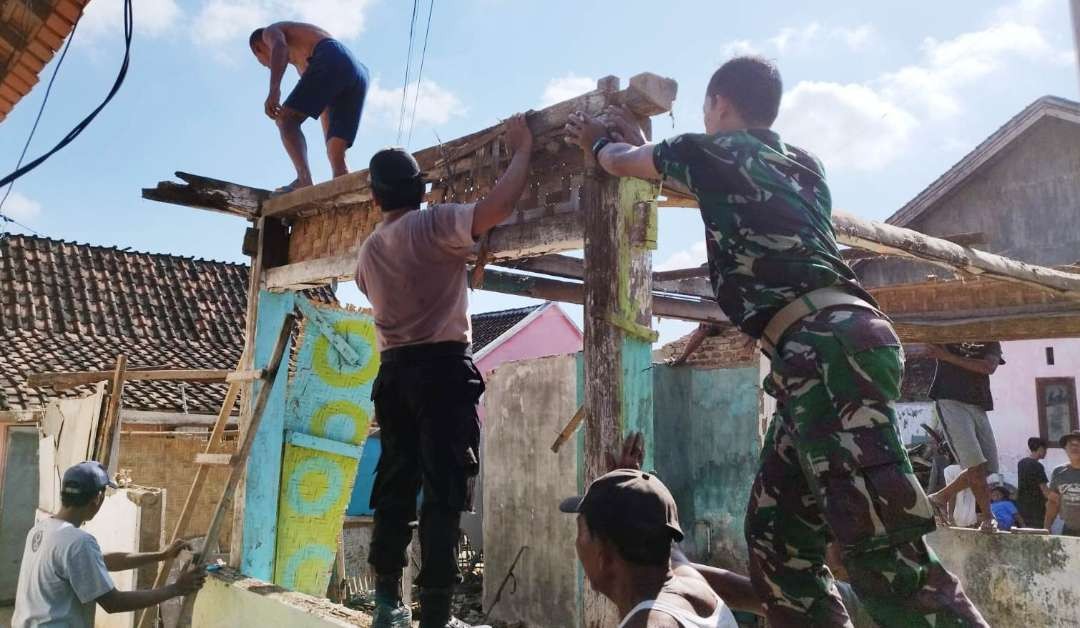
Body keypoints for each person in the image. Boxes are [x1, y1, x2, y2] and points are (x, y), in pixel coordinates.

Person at [564, 55, 985, 627]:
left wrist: (596, 145)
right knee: (776, 540)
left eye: (705, 111)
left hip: (826, 351)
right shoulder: (804, 165)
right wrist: (647, 151)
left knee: (882, 552)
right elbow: (663, 165)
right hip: (822, 350)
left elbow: (620, 162)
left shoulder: (706, 150)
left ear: (718, 103)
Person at [355, 115, 533, 628]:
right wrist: (521, 150)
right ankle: (434, 613)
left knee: (394, 484)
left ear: (375, 200)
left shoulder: (369, 251)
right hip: (442, 372)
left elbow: (377, 290)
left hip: (394, 374)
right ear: (421, 190)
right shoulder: (433, 223)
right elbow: (496, 208)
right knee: (443, 490)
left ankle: (388, 603)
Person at [12, 462, 206, 628]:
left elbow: (102, 561)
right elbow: (113, 602)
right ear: (97, 498)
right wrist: (176, 589)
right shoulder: (78, 542)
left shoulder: (42, 529)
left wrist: (161, 555)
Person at [560, 468, 741, 627]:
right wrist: (629, 492)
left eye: (580, 530)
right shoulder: (695, 584)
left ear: (604, 555)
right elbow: (670, 550)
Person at [249, 22, 369, 193]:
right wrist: (330, 140)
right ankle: (344, 189)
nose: (267, 66)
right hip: (357, 71)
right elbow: (325, 107)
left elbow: (280, 47)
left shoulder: (269, 32)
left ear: (258, 49)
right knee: (336, 155)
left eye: (262, 63)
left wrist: (274, 90)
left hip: (331, 54)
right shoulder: (305, 60)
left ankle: (303, 180)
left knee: (285, 120)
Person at [922, 342, 1005, 533]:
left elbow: (988, 367)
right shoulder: (948, 332)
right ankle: (988, 518)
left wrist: (948, 357)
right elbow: (929, 343)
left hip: (977, 404)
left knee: (990, 467)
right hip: (950, 399)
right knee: (975, 465)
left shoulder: (989, 337)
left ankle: (940, 497)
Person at [1046, 431, 1080, 536]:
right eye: (1071, 444)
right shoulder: (1059, 472)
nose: (1075, 447)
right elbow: (1053, 502)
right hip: (1069, 530)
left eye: (1079, 443)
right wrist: (1046, 528)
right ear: (1065, 448)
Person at [1017, 437, 1050, 528]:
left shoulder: (1021, 463)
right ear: (1040, 449)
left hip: (1022, 505)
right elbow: (1044, 490)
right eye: (1045, 450)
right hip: (1036, 507)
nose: (1046, 453)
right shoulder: (1037, 466)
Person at [942, 462, 977, 527]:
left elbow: (952, 494)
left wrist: (950, 515)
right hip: (971, 516)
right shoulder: (974, 469)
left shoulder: (949, 470)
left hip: (957, 515)